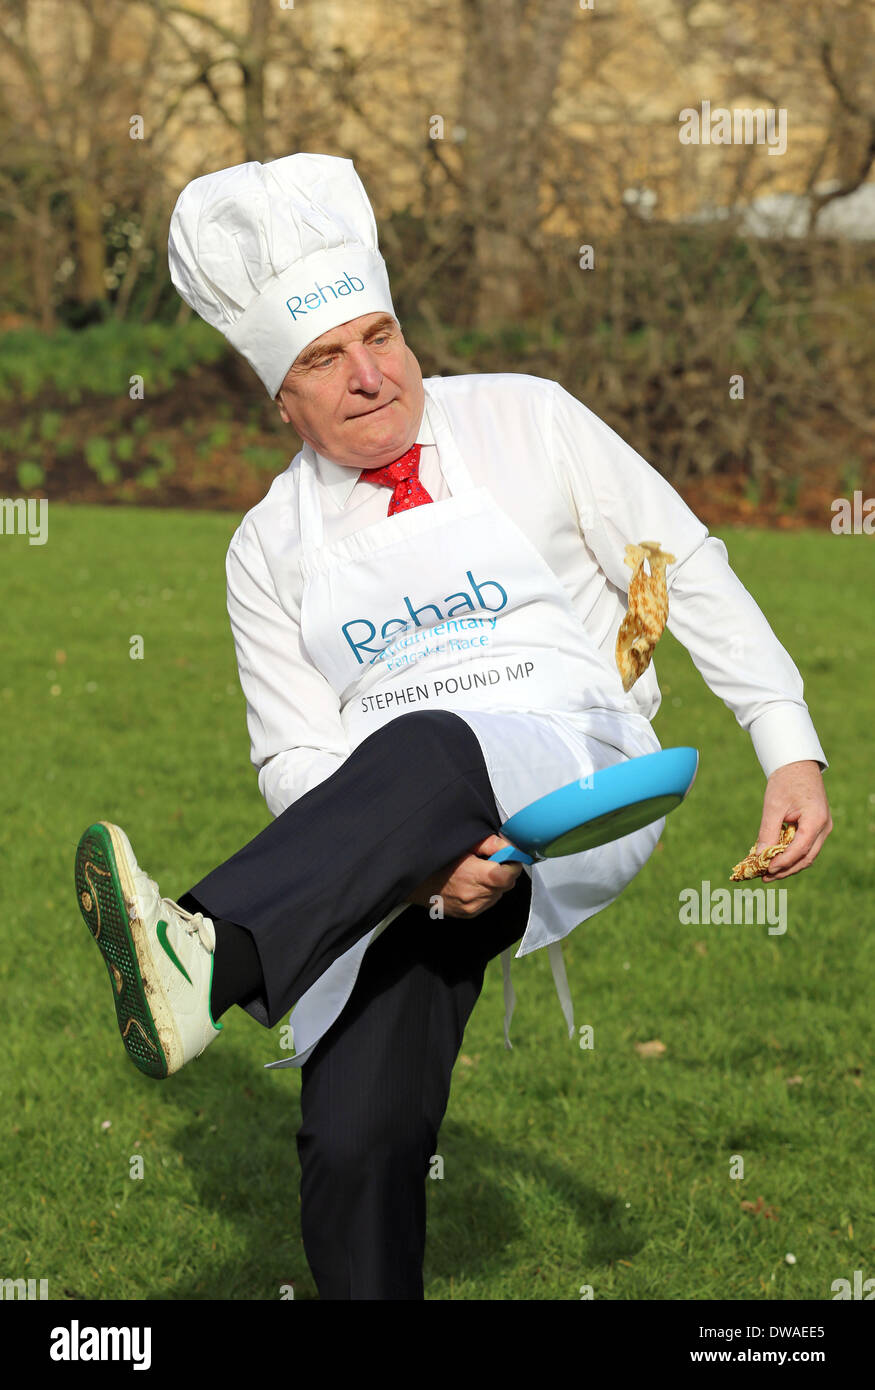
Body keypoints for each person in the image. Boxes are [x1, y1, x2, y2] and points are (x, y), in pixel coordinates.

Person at [75, 152, 832, 1300]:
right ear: (280, 396)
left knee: (428, 742)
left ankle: (213, 951)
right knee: (353, 1131)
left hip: (581, 761)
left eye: (378, 336)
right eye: (325, 359)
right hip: (387, 849)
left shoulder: (527, 416)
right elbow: (296, 756)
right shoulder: (265, 546)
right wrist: (430, 872)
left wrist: (785, 741)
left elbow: (677, 560)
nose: (368, 374)